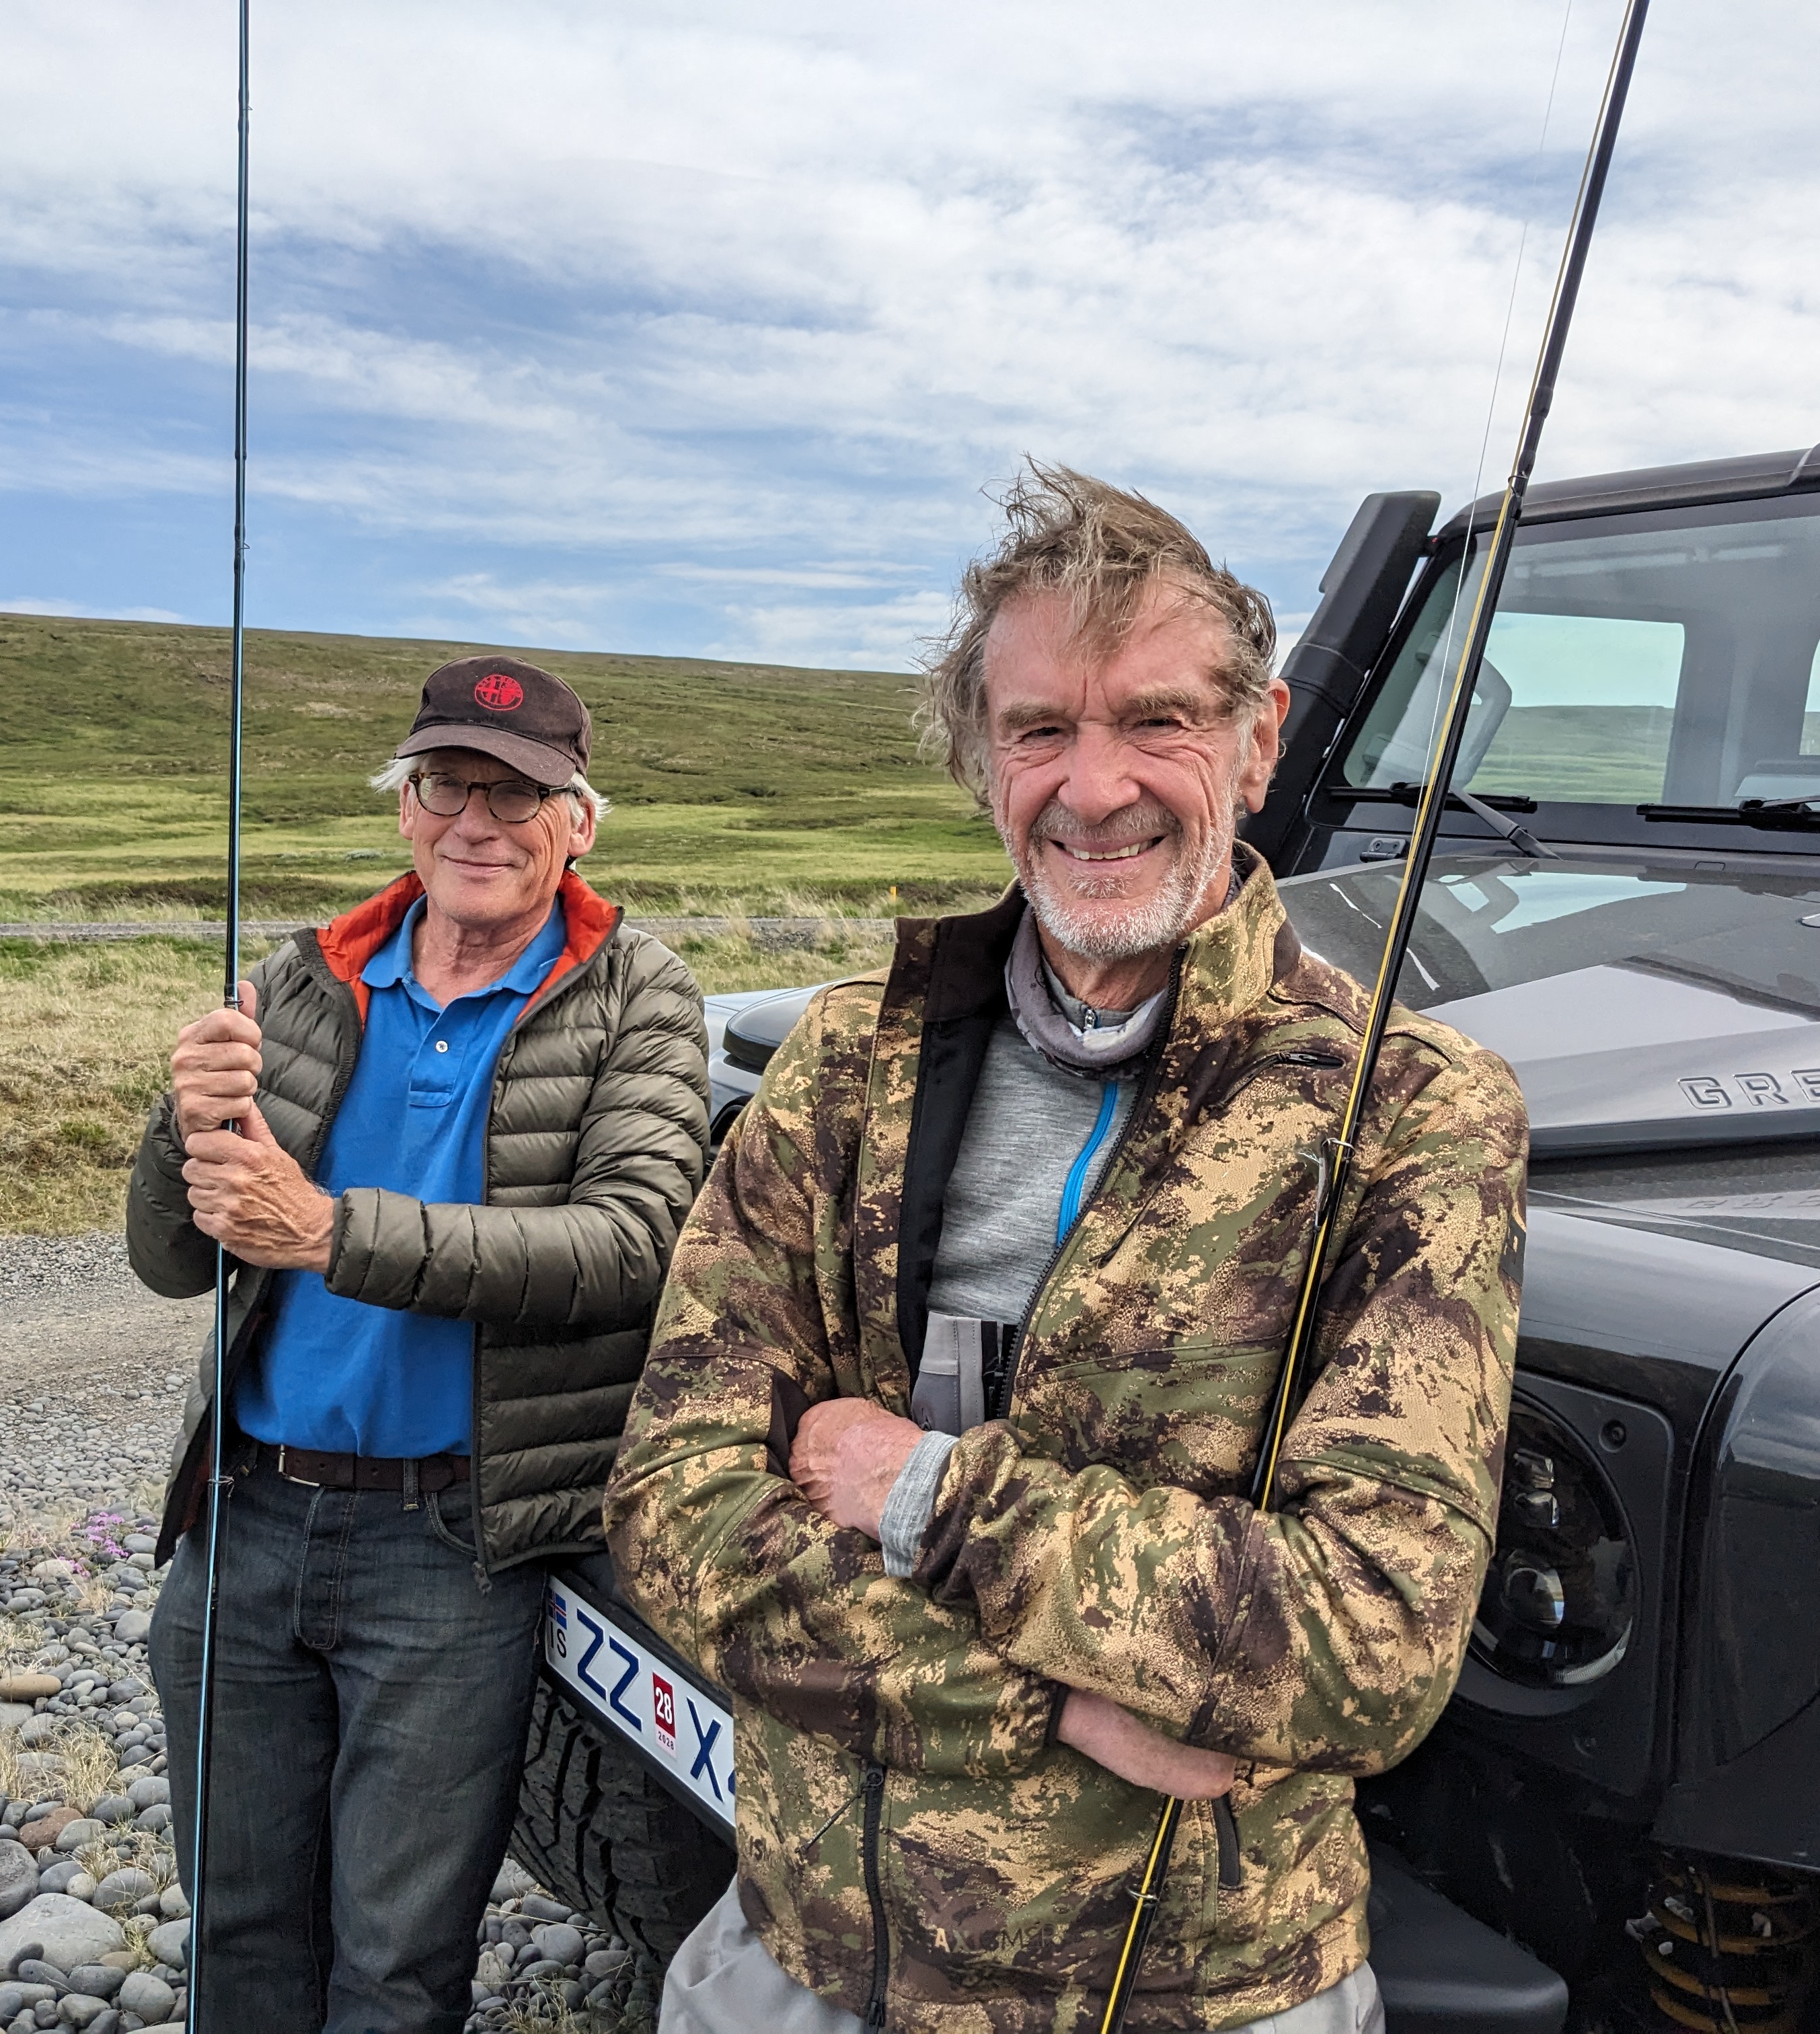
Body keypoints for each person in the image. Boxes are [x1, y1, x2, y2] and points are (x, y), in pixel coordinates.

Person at [606, 467, 1529, 2032]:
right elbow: (672, 1514)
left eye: (1155, 719)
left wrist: (919, 1489)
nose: (1095, 788)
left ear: (1261, 736)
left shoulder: (1416, 1116)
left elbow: (1365, 1642)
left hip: (1197, 1993)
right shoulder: (846, 1066)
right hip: (807, 1951)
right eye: (1042, 730)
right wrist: (1056, 1701)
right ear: (985, 761)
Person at [128, 656, 709, 2032]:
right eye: (451, 783)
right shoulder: (303, 977)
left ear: (579, 820)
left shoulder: (640, 995)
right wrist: (181, 1120)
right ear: (407, 804)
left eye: (521, 793)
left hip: (455, 1546)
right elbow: (169, 1259)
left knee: (397, 1969)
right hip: (246, 1519)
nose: (479, 822)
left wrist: (332, 1233)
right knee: (239, 1936)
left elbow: (633, 1252)